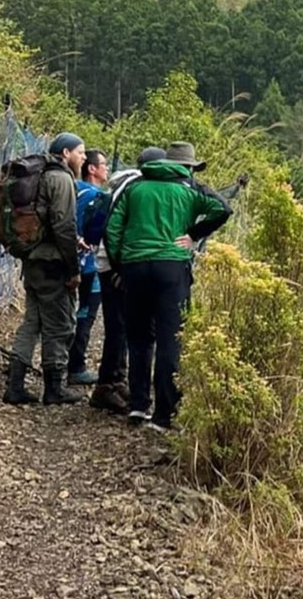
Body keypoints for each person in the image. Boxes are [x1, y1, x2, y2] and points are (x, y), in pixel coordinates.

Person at [105, 142, 232, 431]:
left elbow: (112, 230)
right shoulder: (189, 190)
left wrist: (119, 267)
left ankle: (138, 405)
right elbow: (223, 208)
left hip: (135, 268)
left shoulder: (135, 188)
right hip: (171, 268)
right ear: (185, 167)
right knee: (170, 338)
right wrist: (193, 233)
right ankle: (165, 414)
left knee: (138, 337)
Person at [3, 132, 85, 406]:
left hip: (32, 260)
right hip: (53, 263)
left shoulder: (39, 177)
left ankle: (15, 386)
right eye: (80, 152)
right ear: (65, 153)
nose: (83, 158)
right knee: (59, 325)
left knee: (32, 322)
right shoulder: (60, 179)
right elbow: (63, 225)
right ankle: (54, 388)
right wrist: (73, 268)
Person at [87, 146, 166, 415]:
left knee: (120, 327)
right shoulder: (134, 188)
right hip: (115, 268)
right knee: (119, 327)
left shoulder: (126, 185)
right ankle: (107, 386)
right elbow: (113, 230)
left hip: (110, 265)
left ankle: (115, 382)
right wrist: (120, 269)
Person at [67, 148, 108, 386]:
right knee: (86, 314)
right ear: (92, 168)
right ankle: (77, 366)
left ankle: (62, 362)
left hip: (67, 260)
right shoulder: (95, 194)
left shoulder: (73, 188)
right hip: (89, 264)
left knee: (68, 313)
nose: (107, 169)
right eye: (103, 165)